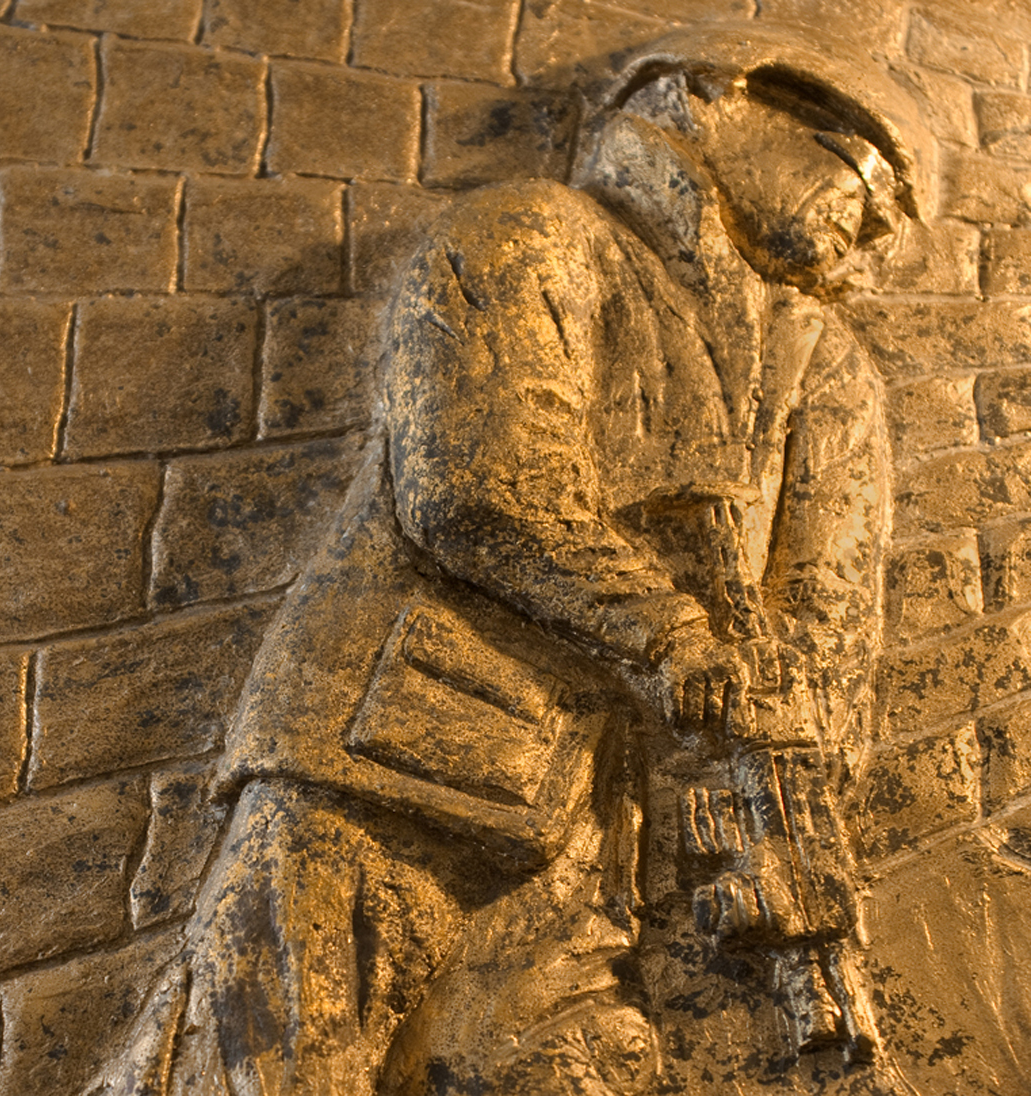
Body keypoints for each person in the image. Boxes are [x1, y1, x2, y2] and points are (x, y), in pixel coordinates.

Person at [126, 27, 929, 1096]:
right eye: (860, 166)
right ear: (713, 96)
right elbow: (477, 485)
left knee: (579, 1069)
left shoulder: (810, 362)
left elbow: (825, 618)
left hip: (594, 821)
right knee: (261, 1063)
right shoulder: (531, 236)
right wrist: (673, 635)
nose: (873, 226)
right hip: (388, 755)